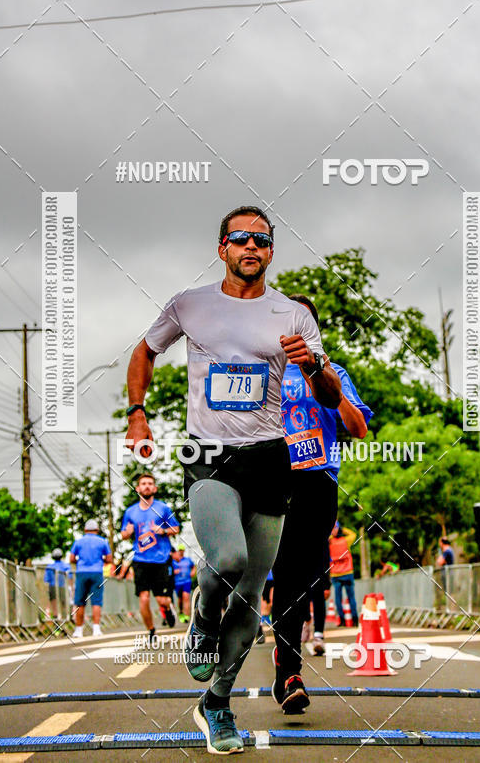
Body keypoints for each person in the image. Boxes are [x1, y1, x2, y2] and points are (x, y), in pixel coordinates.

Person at [125, 205, 341, 754]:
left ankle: (217, 703)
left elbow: (332, 399)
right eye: (241, 239)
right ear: (222, 247)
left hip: (270, 457)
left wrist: (313, 367)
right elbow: (144, 351)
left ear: (271, 251)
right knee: (227, 561)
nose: (252, 248)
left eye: (262, 241)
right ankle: (201, 614)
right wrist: (137, 411)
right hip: (209, 453)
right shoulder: (190, 305)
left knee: (250, 596)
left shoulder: (291, 314)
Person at [272, 294, 372, 712]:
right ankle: (288, 667)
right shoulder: (264, 371)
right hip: (273, 476)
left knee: (300, 577)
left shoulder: (335, 372)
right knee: (281, 571)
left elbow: (359, 428)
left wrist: (325, 379)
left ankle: (287, 668)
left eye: (303, 322)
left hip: (318, 479)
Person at [120, 473, 180, 640]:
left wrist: (163, 530)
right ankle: (151, 631)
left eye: (150, 483)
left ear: (154, 488)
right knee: (144, 597)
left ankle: (168, 610)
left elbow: (176, 529)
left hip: (161, 559)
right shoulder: (130, 512)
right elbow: (123, 533)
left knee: (162, 600)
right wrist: (128, 533)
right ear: (138, 488)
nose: (146, 486)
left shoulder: (162, 509)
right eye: (143, 484)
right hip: (140, 560)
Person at [70, 520, 112, 639]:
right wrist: (100, 560)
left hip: (81, 572)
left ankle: (78, 630)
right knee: (96, 601)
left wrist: (81, 561)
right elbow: (109, 559)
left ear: (85, 530)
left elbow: (72, 558)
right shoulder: (102, 541)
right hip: (97, 572)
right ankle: (96, 629)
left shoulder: (78, 541)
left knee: (79, 601)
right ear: (97, 530)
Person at [329, 522, 359, 629]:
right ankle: (355, 620)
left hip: (335, 574)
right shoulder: (346, 541)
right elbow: (353, 534)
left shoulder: (330, 542)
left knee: (338, 599)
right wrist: (342, 528)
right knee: (351, 598)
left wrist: (331, 531)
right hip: (348, 573)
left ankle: (342, 621)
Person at [43, 548, 72, 619]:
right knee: (64, 603)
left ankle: (56, 619)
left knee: (54, 603)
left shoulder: (49, 567)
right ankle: (65, 618)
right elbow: (70, 577)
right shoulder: (66, 566)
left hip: (52, 586)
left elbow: (46, 580)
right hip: (63, 586)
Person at [172, 545, 196, 623]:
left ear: (184, 551)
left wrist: (193, 572)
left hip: (187, 581)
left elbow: (193, 567)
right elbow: (169, 570)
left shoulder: (188, 560)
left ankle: (187, 615)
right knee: (180, 599)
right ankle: (181, 612)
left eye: (182, 550)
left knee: (186, 597)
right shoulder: (174, 561)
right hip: (178, 582)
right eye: (179, 550)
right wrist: (174, 572)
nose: (181, 551)